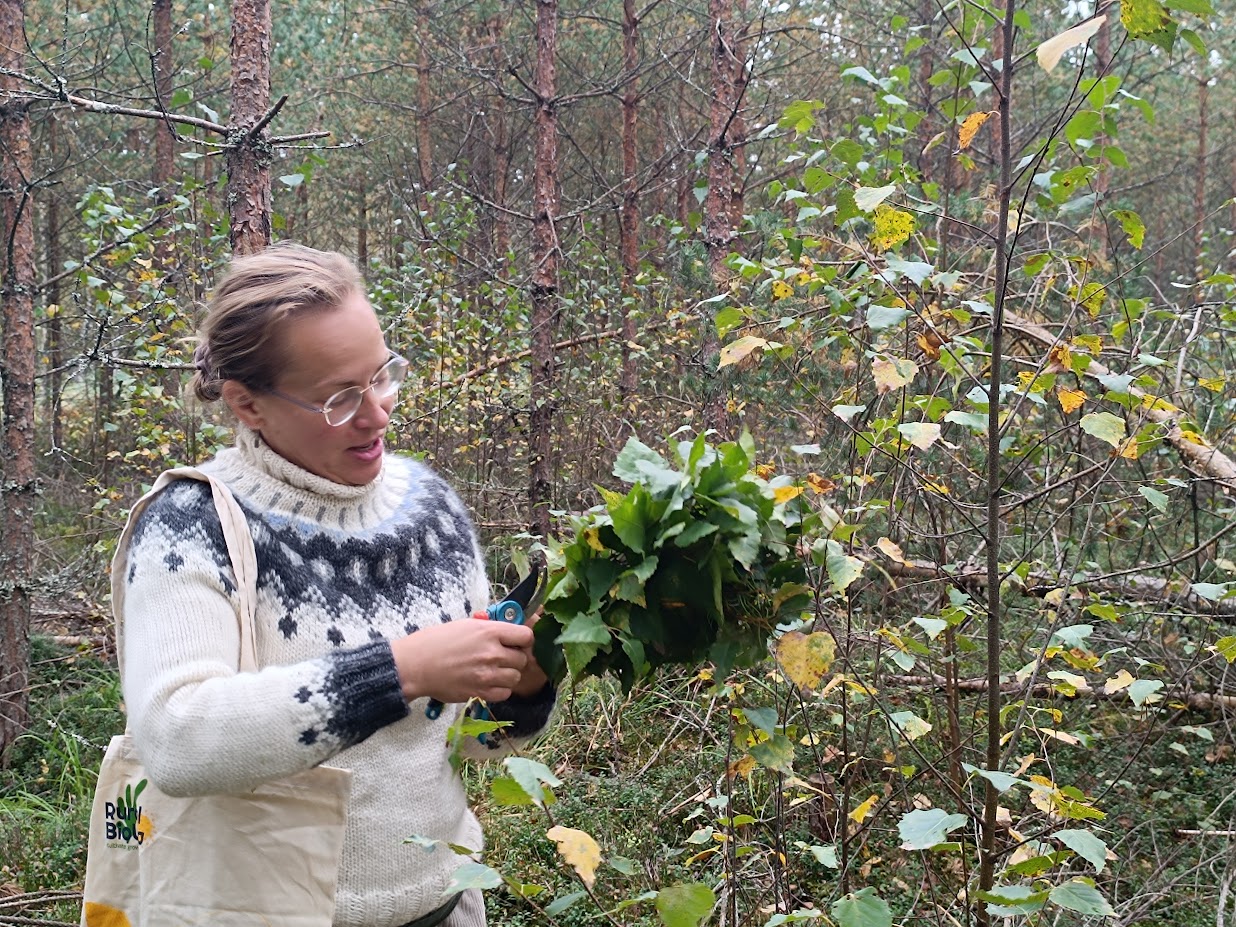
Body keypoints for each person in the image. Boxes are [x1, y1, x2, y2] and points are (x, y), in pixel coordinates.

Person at [120, 242, 555, 927]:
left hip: (441, 904)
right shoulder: (192, 525)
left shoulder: (430, 510)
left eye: (382, 376)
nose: (377, 412)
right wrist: (402, 669)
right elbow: (179, 738)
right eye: (338, 398)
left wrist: (522, 682)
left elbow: (467, 741)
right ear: (247, 404)